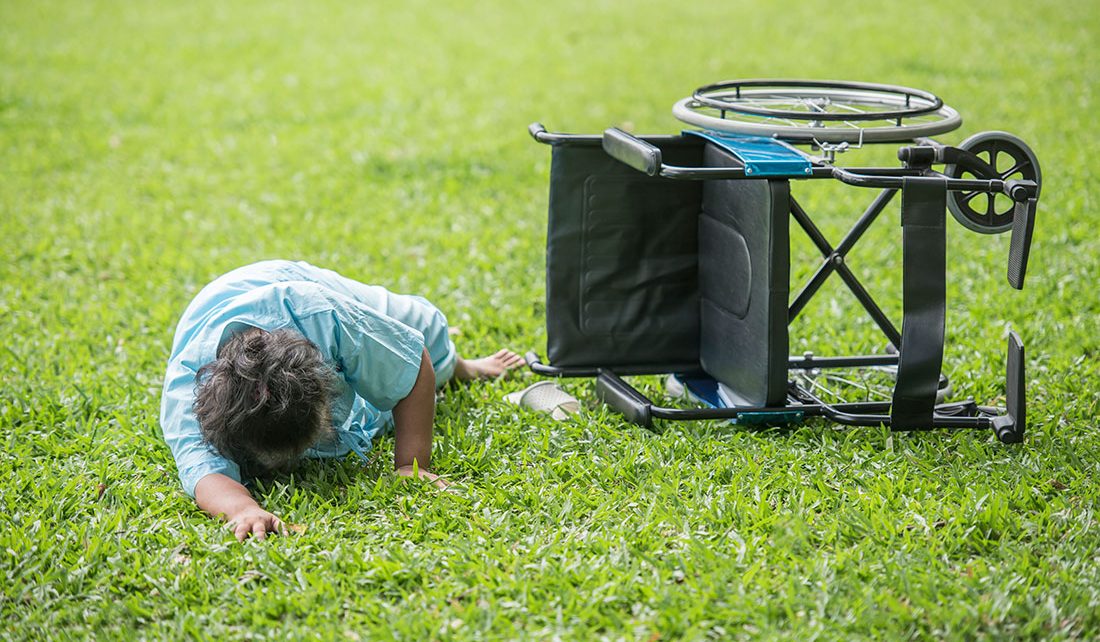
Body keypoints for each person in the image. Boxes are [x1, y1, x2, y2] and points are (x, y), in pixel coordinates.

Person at [159, 260, 522, 541]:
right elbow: (202, 468)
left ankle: (461, 367)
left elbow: (413, 361)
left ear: (324, 379)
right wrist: (242, 509)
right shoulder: (186, 396)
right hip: (223, 299)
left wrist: (411, 465)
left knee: (428, 327)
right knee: (377, 409)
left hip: (298, 286)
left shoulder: (324, 314)